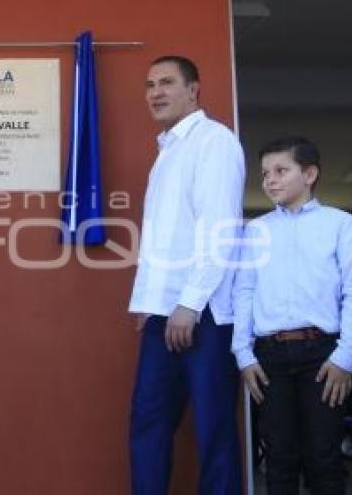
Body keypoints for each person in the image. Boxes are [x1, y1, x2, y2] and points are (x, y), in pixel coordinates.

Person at [128, 55, 245, 494]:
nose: (155, 92)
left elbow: (219, 230)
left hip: (204, 313)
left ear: (194, 90)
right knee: (148, 421)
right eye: (149, 84)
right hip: (166, 312)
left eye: (166, 82)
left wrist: (190, 302)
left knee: (213, 427)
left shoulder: (214, 142)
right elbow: (167, 238)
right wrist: (151, 302)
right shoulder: (169, 151)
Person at [232, 136, 352, 494]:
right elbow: (244, 292)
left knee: (323, 459)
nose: (270, 180)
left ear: (309, 174)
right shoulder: (255, 230)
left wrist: (346, 357)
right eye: (265, 174)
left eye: (281, 170)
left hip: (324, 357)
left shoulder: (340, 224)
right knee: (278, 460)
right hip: (268, 359)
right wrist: (243, 355)